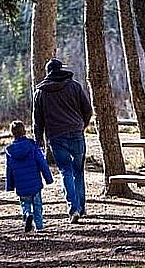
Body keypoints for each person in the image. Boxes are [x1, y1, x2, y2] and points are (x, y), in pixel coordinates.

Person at [33, 58, 93, 224]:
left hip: (56, 136)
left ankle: (73, 208)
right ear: (60, 70)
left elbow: (37, 121)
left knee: (66, 172)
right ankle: (80, 207)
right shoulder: (74, 86)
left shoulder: (40, 92)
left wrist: (39, 141)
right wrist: (82, 125)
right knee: (78, 171)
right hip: (76, 133)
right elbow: (87, 110)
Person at [5, 120, 54, 232]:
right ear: (24, 131)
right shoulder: (32, 146)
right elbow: (42, 162)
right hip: (35, 183)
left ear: (12, 134)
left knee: (25, 203)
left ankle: (27, 215)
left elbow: (9, 170)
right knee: (37, 205)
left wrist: (10, 186)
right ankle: (39, 227)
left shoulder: (10, 152)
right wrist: (48, 178)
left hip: (21, 185)